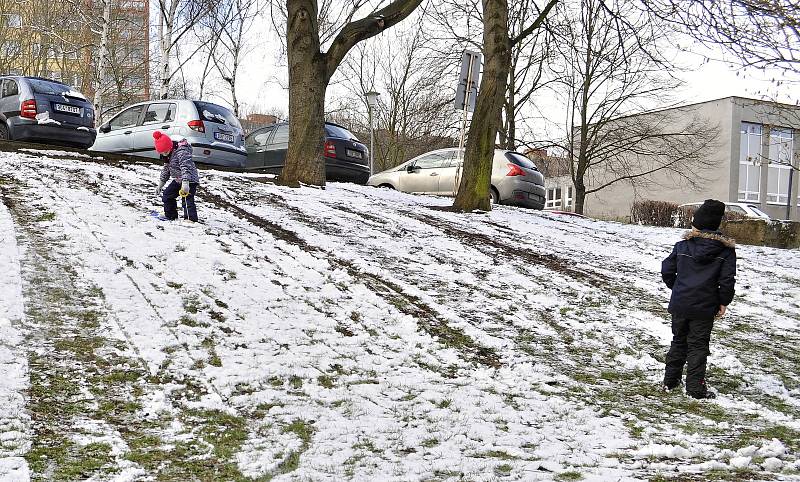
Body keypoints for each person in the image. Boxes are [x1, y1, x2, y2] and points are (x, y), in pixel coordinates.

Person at [661, 199, 736, 399]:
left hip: (681, 303)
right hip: (704, 307)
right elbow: (727, 280)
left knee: (678, 341)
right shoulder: (726, 251)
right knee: (698, 346)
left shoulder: (682, 246)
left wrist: (677, 289)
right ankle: (694, 388)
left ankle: (670, 380)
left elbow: (667, 269)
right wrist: (723, 301)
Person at [153, 131, 200, 222]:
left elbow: (186, 167)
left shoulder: (181, 152)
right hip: (178, 180)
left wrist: (186, 182)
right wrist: (160, 184)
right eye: (162, 153)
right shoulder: (167, 156)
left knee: (187, 198)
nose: (165, 154)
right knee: (167, 195)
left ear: (170, 146)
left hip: (189, 179)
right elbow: (166, 170)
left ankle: (191, 219)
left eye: (166, 151)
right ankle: (171, 215)